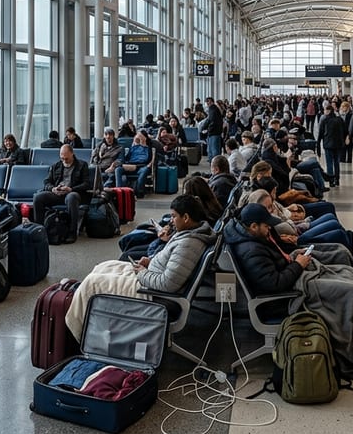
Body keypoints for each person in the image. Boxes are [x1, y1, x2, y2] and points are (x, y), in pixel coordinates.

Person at [224, 203, 353, 383]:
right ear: (253, 226)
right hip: (288, 298)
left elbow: (274, 268)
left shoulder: (254, 239)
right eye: (266, 226)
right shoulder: (251, 251)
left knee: (350, 274)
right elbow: (275, 283)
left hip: (293, 280)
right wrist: (298, 265)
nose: (269, 230)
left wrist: (294, 259)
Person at [64, 195, 216, 340]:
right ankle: (80, 296)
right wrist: (150, 262)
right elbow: (172, 263)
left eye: (174, 216)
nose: (171, 220)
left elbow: (167, 284)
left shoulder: (188, 245)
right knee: (104, 266)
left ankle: (78, 335)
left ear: (186, 218)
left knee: (93, 283)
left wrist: (142, 273)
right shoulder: (190, 233)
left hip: (152, 293)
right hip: (151, 278)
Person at [32, 145, 92, 240]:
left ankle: (72, 232)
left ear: (72, 154)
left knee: (71, 197)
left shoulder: (82, 165)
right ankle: (39, 230)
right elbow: (47, 182)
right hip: (58, 193)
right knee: (38, 198)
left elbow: (87, 184)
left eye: (66, 158)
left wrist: (71, 189)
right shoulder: (56, 166)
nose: (64, 160)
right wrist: (53, 188)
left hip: (73, 193)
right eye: (62, 158)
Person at [116, 131, 154, 197]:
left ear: (145, 138)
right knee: (118, 169)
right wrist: (133, 145)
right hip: (131, 166)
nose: (139, 137)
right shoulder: (133, 147)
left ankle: (139, 192)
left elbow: (148, 159)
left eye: (140, 136)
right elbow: (127, 158)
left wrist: (143, 144)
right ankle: (119, 191)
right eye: (138, 136)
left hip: (141, 166)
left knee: (145, 170)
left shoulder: (148, 148)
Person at [317, 104, 347, 188]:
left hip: (328, 144)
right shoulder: (339, 119)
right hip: (338, 145)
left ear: (328, 111)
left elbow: (320, 133)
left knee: (329, 163)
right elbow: (345, 130)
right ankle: (337, 179)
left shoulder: (324, 120)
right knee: (336, 162)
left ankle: (331, 181)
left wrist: (318, 144)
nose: (324, 112)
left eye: (325, 110)